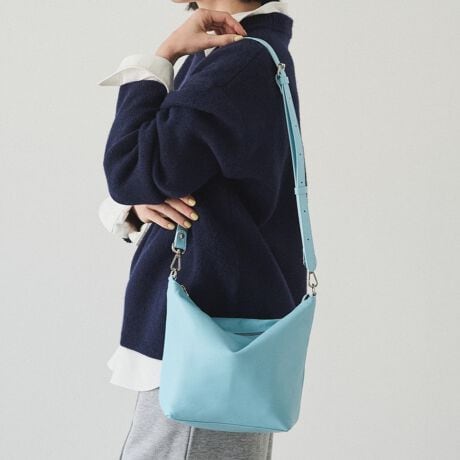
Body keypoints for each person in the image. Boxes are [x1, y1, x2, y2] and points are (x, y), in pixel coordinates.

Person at [98, 1, 304, 458]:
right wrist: (138, 199)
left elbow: (133, 168)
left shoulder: (241, 61)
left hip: (201, 342)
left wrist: (161, 58)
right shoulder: (248, 55)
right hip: (215, 335)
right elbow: (155, 177)